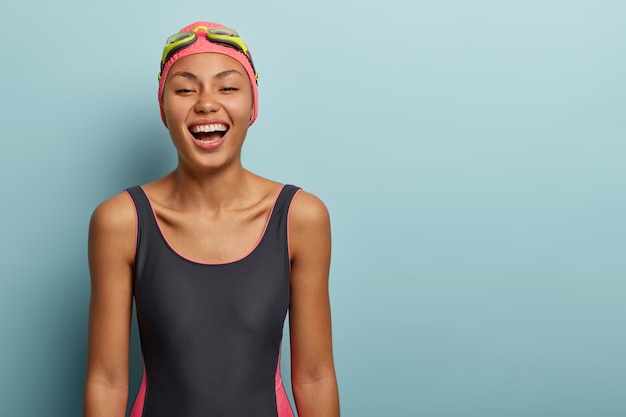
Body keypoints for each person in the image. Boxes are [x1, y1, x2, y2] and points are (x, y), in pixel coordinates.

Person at [83, 21, 339, 417]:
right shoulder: (121, 222)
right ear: (163, 107)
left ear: (253, 105)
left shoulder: (300, 218)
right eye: (185, 89)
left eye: (228, 87)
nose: (206, 103)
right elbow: (106, 380)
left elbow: (316, 376)